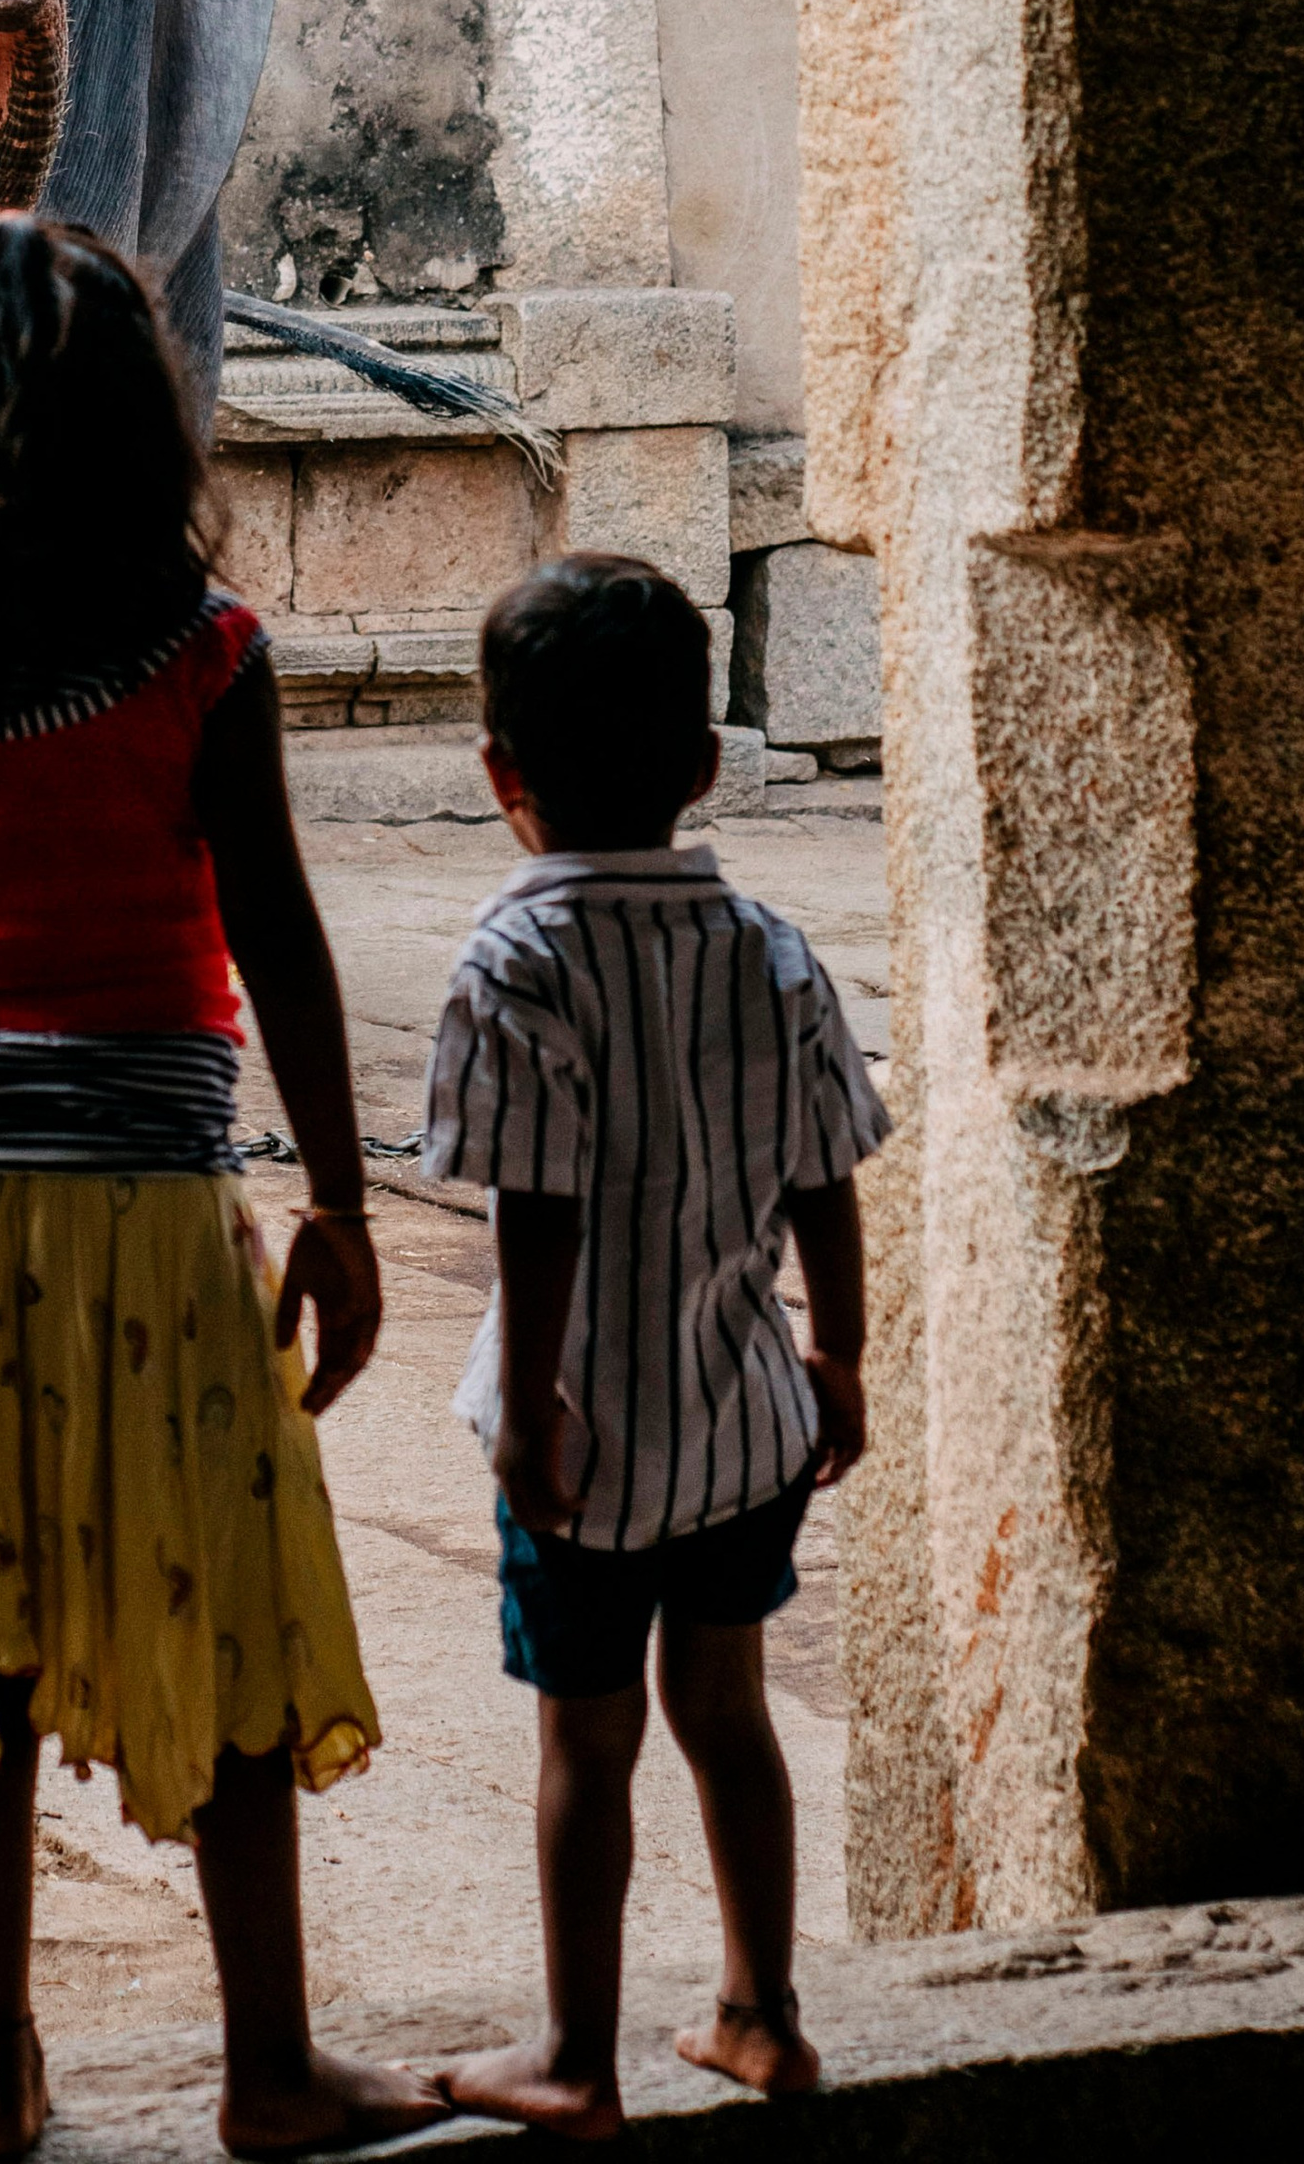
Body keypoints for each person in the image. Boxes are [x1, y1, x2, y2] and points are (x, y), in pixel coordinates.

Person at [0, 216, 440, 2164]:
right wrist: (344, 1212)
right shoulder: (203, 656)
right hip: (149, 1202)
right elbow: (282, 941)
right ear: (146, 424)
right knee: (216, 1595)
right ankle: (268, 2066)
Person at [419, 553, 889, 2141]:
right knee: (729, 1714)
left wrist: (528, 1414)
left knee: (586, 1747)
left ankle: (576, 2054)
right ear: (702, 764)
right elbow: (827, 1174)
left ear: (502, 776)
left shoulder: (514, 964)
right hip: (745, 1420)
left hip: (587, 1438)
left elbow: (534, 1213)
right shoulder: (773, 948)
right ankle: (764, 2014)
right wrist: (842, 1358)